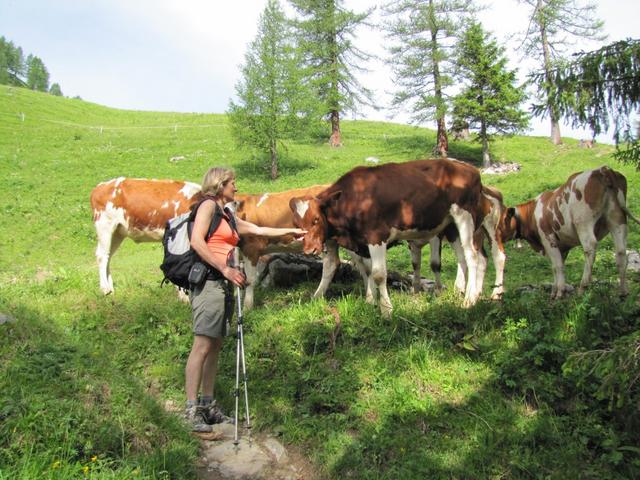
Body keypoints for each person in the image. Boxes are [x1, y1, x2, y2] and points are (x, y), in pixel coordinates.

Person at [184, 167, 305, 432]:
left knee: (215, 345)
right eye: (232, 183)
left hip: (222, 285)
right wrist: (225, 268)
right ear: (220, 185)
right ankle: (191, 410)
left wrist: (291, 231)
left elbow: (257, 229)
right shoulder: (207, 206)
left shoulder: (226, 214)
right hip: (208, 282)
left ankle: (208, 405)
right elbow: (196, 241)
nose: (236, 187)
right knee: (202, 344)